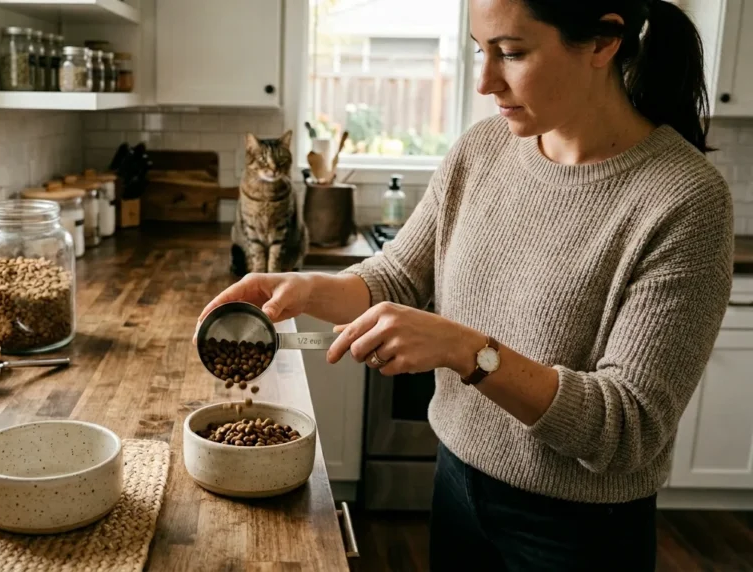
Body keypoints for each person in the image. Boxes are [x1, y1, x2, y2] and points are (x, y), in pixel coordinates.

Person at [197, 0, 735, 570]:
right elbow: (398, 275)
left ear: (603, 43)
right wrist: (306, 288)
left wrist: (464, 350)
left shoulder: (684, 200)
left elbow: (627, 427)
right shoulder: (481, 151)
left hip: (577, 532)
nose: (484, 82)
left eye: (512, 52)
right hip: (455, 482)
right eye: (481, 51)